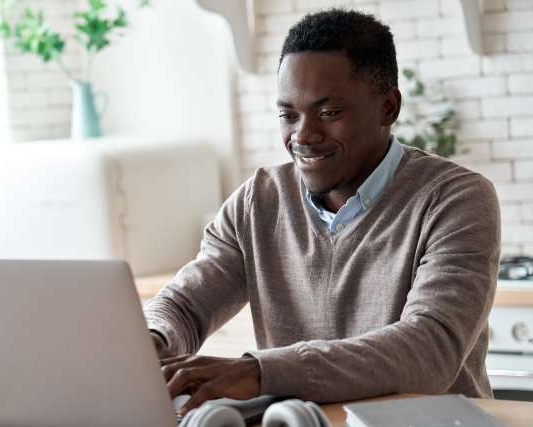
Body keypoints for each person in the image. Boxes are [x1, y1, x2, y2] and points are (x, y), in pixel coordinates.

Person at [144, 9, 500, 416]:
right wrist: (146, 342)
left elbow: (429, 349)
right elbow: (185, 306)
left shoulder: (456, 198)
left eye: (329, 113)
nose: (303, 135)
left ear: (388, 107)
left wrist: (260, 372)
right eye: (288, 114)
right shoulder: (257, 201)